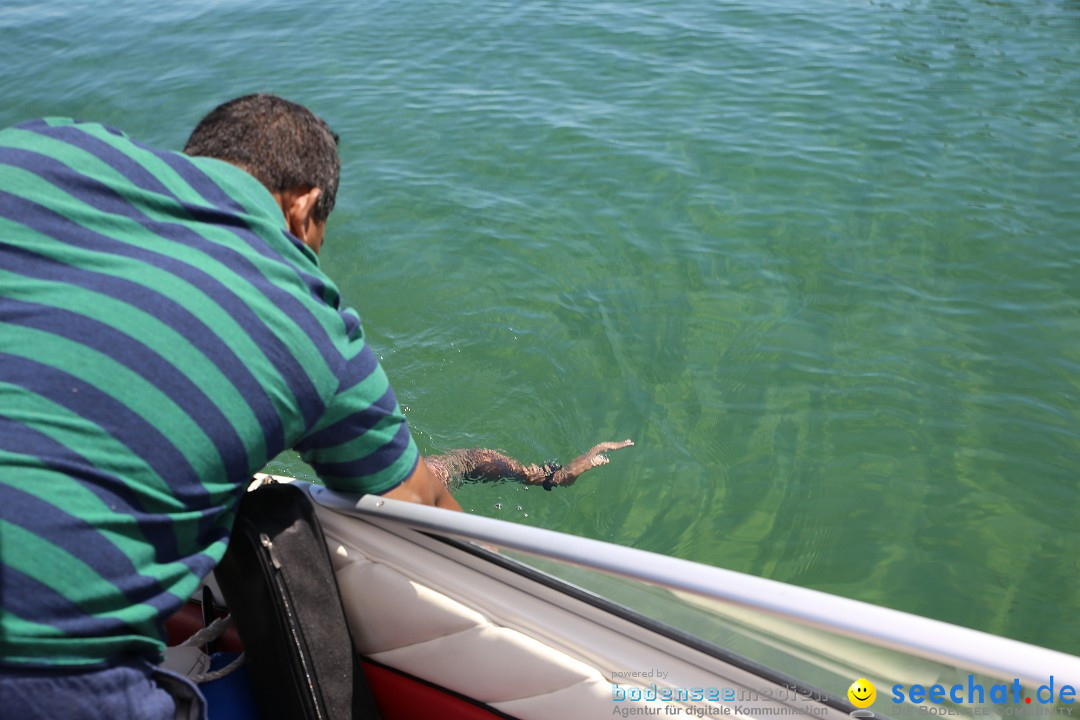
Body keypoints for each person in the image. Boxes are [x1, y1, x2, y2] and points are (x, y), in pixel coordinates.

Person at [0, 94, 630, 719]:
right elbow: (420, 505)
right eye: (318, 235)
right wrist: (522, 585)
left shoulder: (44, 147)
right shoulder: (302, 319)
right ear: (302, 206)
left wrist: (542, 472)